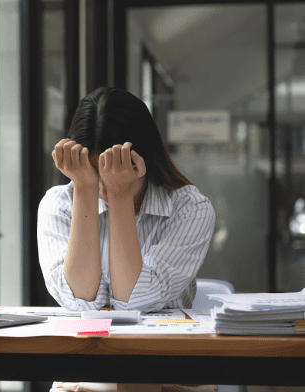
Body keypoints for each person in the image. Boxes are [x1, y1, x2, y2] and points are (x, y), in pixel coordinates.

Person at [37, 87, 217, 392]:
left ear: (144, 159)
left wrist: (120, 195)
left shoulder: (190, 208)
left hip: (170, 374)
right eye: (94, 171)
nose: (104, 183)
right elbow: (78, 299)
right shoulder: (60, 203)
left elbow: (135, 299)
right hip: (86, 375)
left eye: (116, 169)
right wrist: (84, 188)